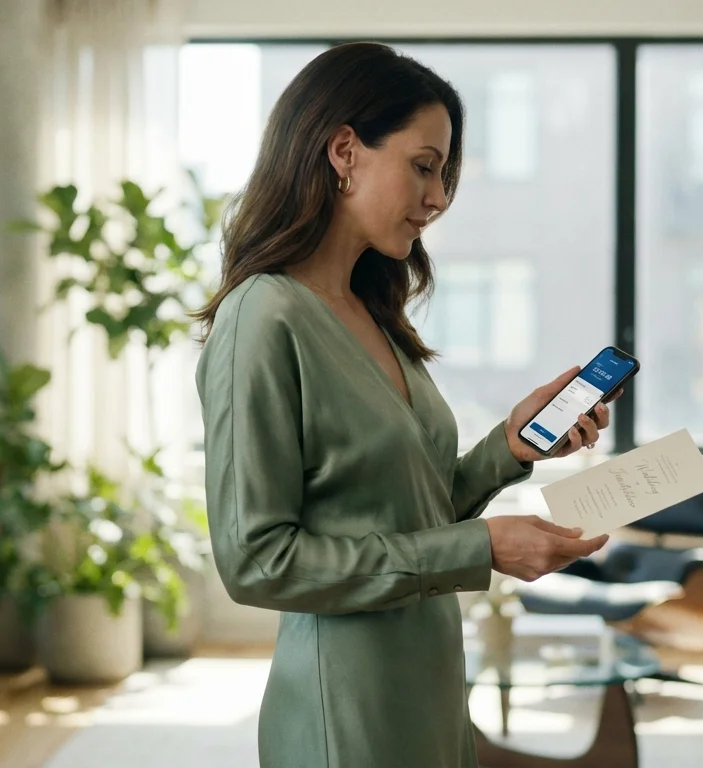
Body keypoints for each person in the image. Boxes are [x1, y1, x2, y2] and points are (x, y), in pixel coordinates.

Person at [192, 42, 617, 768]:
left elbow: (407, 510)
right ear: (344, 151)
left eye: (445, 174)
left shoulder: (373, 312)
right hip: (346, 704)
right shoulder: (262, 318)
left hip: (429, 678)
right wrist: (482, 547)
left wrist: (507, 450)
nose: (440, 196)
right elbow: (257, 560)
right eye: (425, 166)